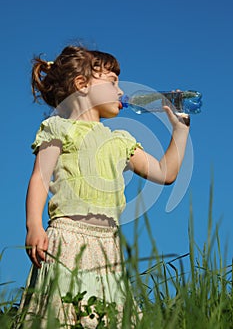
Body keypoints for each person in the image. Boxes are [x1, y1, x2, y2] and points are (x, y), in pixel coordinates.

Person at [16, 45, 190, 328]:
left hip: (108, 245)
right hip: (66, 240)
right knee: (60, 317)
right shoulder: (58, 127)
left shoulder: (120, 141)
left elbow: (165, 172)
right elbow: (39, 177)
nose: (121, 91)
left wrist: (180, 131)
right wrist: (34, 225)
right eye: (112, 82)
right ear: (82, 85)